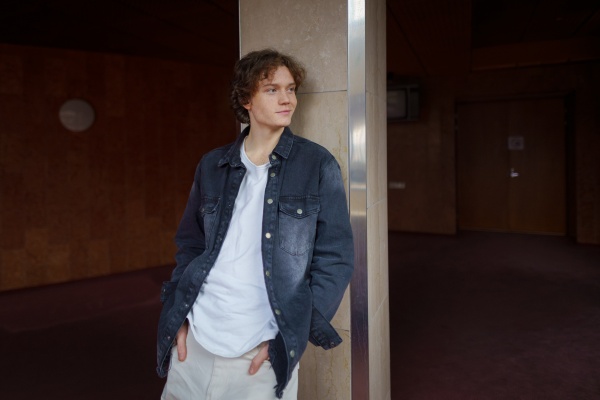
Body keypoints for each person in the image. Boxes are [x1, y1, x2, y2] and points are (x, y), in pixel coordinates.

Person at [156, 48, 354, 399]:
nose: (287, 99)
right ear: (246, 99)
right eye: (272, 90)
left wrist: (291, 333)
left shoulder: (317, 164)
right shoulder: (212, 165)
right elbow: (190, 244)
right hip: (195, 341)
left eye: (290, 89)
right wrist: (179, 315)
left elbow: (335, 258)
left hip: (262, 350)